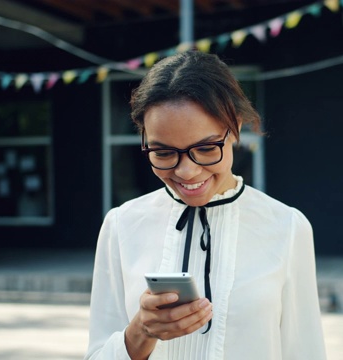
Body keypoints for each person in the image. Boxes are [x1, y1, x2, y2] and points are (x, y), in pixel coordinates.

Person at [85, 50, 326, 360]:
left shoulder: (287, 226)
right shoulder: (122, 224)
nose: (187, 171)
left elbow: (305, 351)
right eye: (163, 153)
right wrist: (141, 332)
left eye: (205, 147)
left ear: (235, 128)